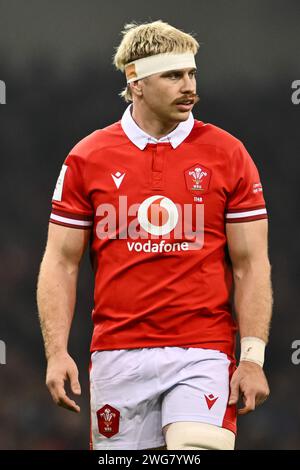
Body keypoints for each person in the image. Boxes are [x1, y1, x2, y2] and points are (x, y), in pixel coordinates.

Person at [37, 20, 273, 450]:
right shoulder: (87, 157)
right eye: (173, 75)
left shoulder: (229, 154)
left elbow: (251, 263)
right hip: (117, 355)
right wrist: (56, 352)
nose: (189, 86)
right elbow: (60, 261)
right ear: (136, 81)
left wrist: (252, 358)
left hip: (203, 351)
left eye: (192, 74)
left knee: (193, 451)